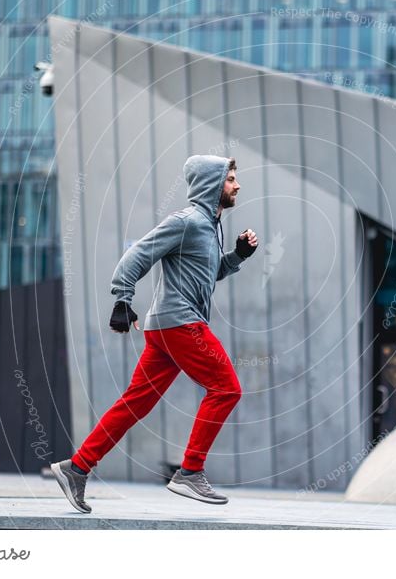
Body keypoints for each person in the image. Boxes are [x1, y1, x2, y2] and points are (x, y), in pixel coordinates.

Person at [51, 155, 258, 512]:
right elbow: (139, 254)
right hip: (180, 323)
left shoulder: (209, 227)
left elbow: (209, 275)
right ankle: (190, 472)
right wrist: (122, 298)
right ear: (212, 184)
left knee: (135, 403)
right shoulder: (188, 221)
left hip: (167, 327)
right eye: (230, 179)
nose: (237, 185)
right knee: (226, 388)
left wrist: (237, 256)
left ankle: (77, 467)